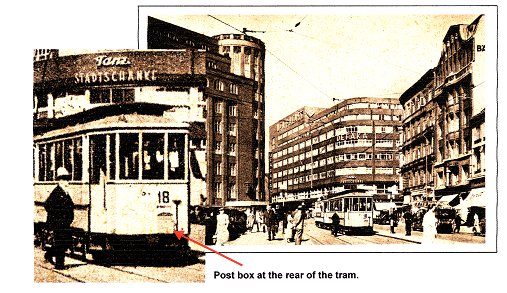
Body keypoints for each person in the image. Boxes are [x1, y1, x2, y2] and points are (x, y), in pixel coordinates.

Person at [44, 167, 75, 270]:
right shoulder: (57, 192)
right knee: (61, 243)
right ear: (60, 180)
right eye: (65, 179)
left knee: (65, 242)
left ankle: (49, 254)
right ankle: (59, 265)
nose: (67, 181)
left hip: (65, 223)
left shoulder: (65, 192)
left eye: (67, 179)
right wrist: (57, 216)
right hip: (59, 223)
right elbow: (47, 205)